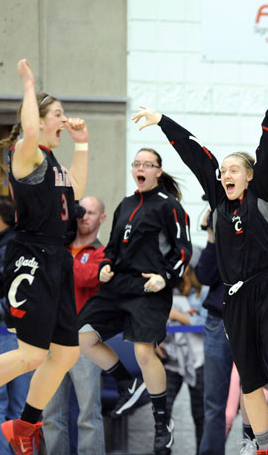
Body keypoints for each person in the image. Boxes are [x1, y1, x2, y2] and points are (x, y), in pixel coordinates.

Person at [133, 98, 268, 455]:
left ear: (250, 176)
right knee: (250, 382)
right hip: (235, 299)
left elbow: (267, 151)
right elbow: (195, 154)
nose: (227, 174)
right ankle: (265, 449)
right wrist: (162, 121)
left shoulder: (262, 196)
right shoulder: (219, 201)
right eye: (224, 171)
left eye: (234, 170)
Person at [0, 59, 88, 455]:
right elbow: (29, 129)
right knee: (31, 355)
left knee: (66, 352)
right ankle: (24, 423)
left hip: (57, 259)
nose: (65, 119)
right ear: (42, 120)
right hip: (31, 256)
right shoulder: (26, 154)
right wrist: (28, 84)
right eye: (59, 114)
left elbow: (76, 189)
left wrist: (82, 144)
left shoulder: (53, 162)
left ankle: (25, 424)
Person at [78, 149, 192, 455]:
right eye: (137, 164)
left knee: (143, 352)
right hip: (118, 287)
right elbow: (112, 248)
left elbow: (183, 251)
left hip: (150, 289)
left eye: (147, 164)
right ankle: (127, 383)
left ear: (158, 171)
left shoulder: (169, 206)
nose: (141, 168)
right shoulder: (126, 204)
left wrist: (165, 277)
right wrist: (106, 265)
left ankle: (162, 422)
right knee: (83, 337)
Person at [43, 196, 107, 455]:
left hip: (84, 340)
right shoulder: (62, 248)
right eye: (81, 212)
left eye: (91, 213)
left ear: (102, 218)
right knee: (50, 414)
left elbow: (85, 277)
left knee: (88, 415)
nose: (84, 217)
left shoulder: (103, 254)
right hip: (52, 338)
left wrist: (55, 254)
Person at [0, 195, 31, 455]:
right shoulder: (14, 243)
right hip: (23, 336)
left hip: (2, 333)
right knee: (21, 409)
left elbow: (19, 291)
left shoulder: (6, 247)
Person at [194, 211, 234, 455]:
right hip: (218, 320)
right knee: (213, 402)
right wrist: (212, 235)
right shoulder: (219, 237)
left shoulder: (256, 222)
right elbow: (204, 276)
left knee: (254, 398)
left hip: (251, 322)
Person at [160, 263, 208, 455]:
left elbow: (206, 322)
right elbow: (151, 323)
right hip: (171, 360)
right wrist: (155, 344)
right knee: (162, 413)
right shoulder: (164, 290)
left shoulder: (202, 292)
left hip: (198, 361)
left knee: (201, 415)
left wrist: (177, 315)